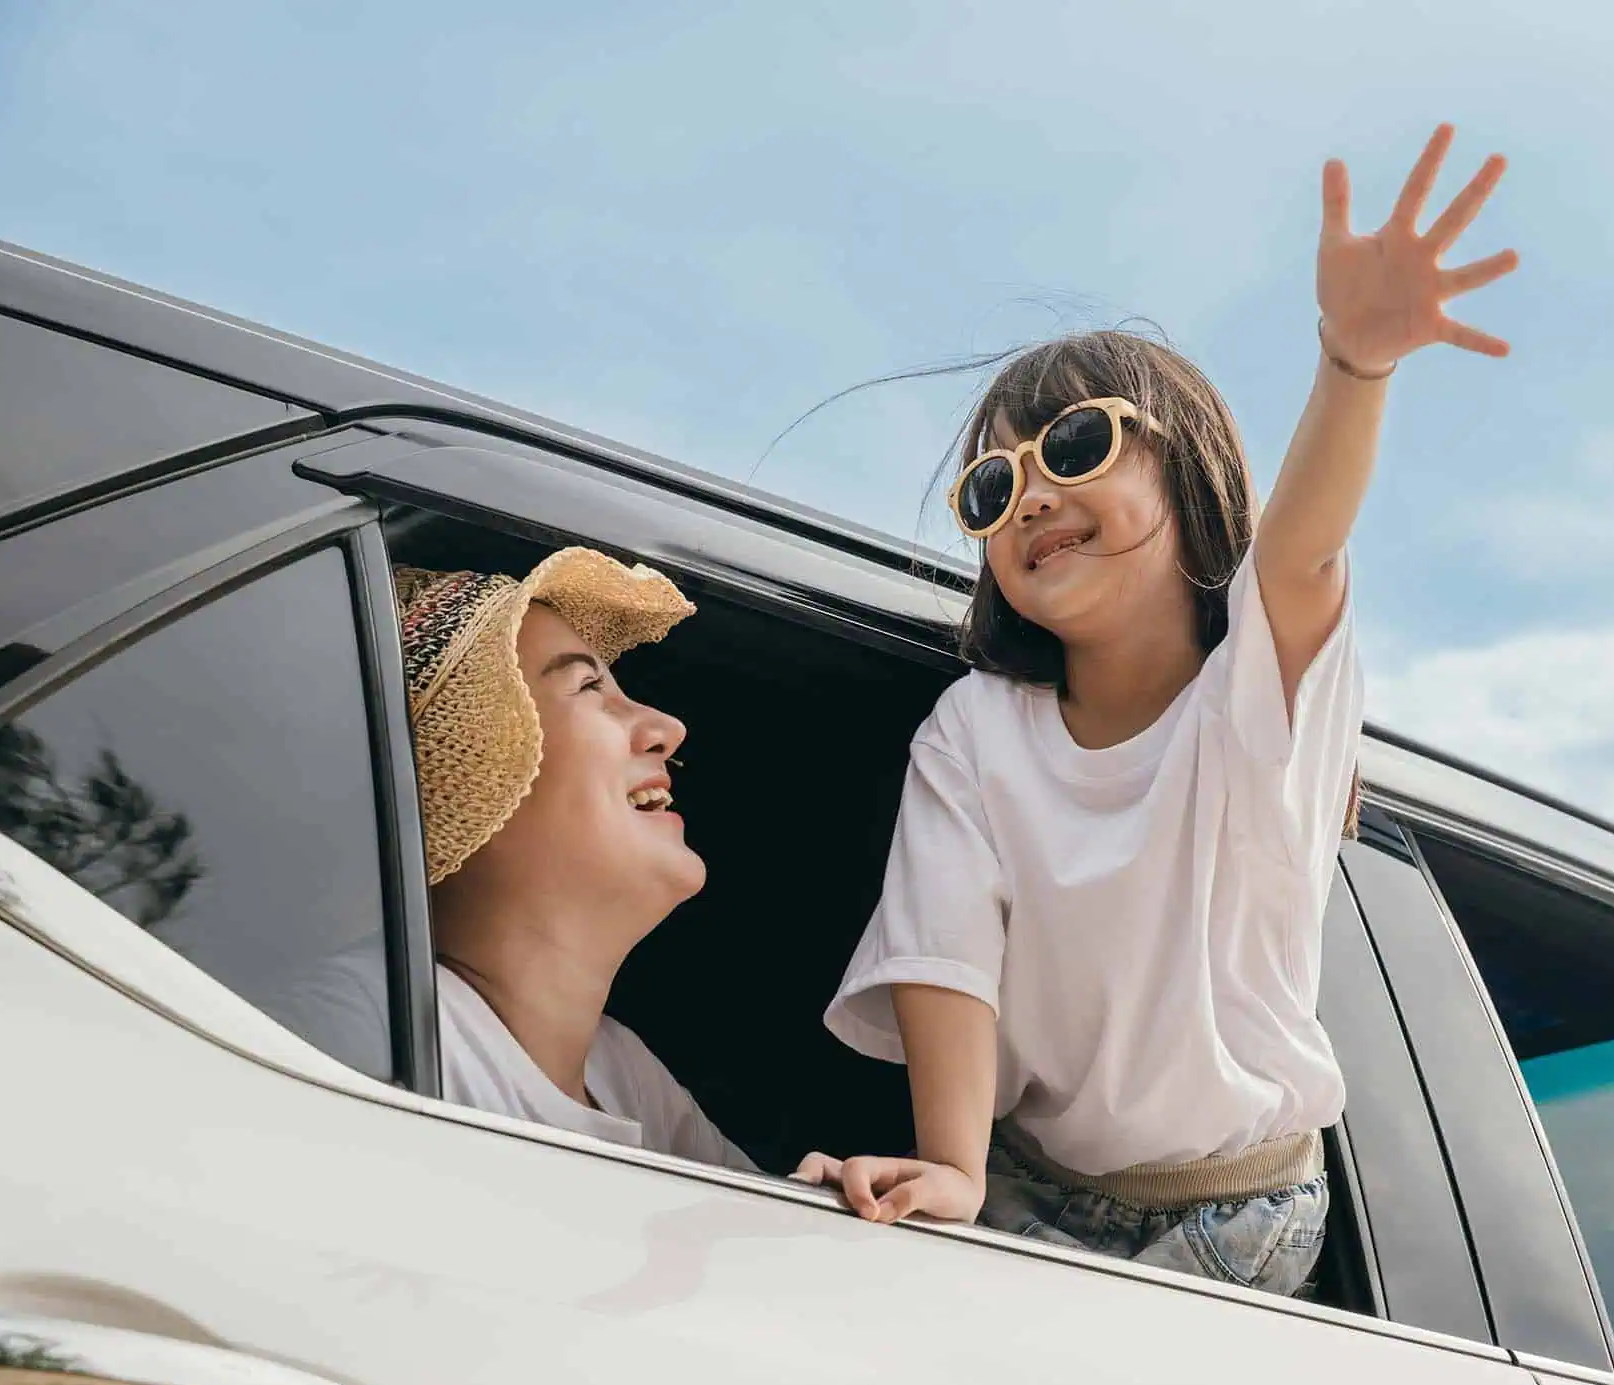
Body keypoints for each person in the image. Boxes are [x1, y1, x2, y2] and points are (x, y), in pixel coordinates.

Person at [799, 125, 1518, 1294]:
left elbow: (1300, 550)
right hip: (1031, 1178)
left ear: (1187, 471)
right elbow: (945, 955)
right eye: (994, 486)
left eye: (1074, 446)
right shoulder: (975, 733)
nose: (1031, 494)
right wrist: (954, 1170)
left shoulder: (1254, 697)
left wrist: (1356, 367)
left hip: (1236, 1207)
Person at [393, 547, 755, 1172]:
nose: (667, 727)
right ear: (475, 776)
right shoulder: (376, 1030)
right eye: (590, 686)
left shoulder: (623, 1072)